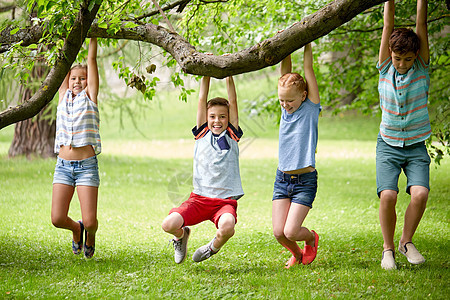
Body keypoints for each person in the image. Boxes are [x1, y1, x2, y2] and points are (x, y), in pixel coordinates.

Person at [161, 76, 244, 264]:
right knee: (168, 224)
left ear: (228, 118)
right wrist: (206, 73)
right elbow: (201, 98)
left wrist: (229, 74)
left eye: (222, 116)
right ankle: (181, 237)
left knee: (228, 227)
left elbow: (233, 101)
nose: (217, 121)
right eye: (212, 116)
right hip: (199, 199)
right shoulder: (202, 133)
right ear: (206, 118)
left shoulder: (232, 134)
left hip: (224, 202)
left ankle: (212, 247)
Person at [377, 0, 431, 270]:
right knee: (388, 196)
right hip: (388, 144)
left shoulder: (420, 68)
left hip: (416, 144)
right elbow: (388, 25)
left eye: (407, 59)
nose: (402, 64)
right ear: (390, 53)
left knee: (420, 194)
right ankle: (388, 249)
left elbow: (421, 25)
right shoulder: (386, 67)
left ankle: (406, 242)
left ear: (416, 56)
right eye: (398, 58)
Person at [272, 43, 321, 269]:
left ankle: (310, 238)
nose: (285, 105)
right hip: (282, 180)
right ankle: (298, 254)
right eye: (282, 101)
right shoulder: (285, 109)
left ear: (303, 95)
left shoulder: (310, 108)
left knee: (291, 230)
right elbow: (285, 72)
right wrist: (288, 43)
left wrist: (306, 41)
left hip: (305, 181)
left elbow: (308, 68)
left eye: (289, 101)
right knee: (279, 233)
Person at [51, 38, 100, 259]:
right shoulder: (62, 97)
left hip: (86, 167)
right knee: (57, 218)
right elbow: (62, 62)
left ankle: (89, 235)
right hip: (63, 166)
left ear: (88, 82)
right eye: (73, 78)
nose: (77, 81)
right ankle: (76, 229)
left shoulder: (90, 97)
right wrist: (65, 38)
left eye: (82, 78)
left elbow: (91, 59)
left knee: (91, 221)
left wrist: (93, 37)